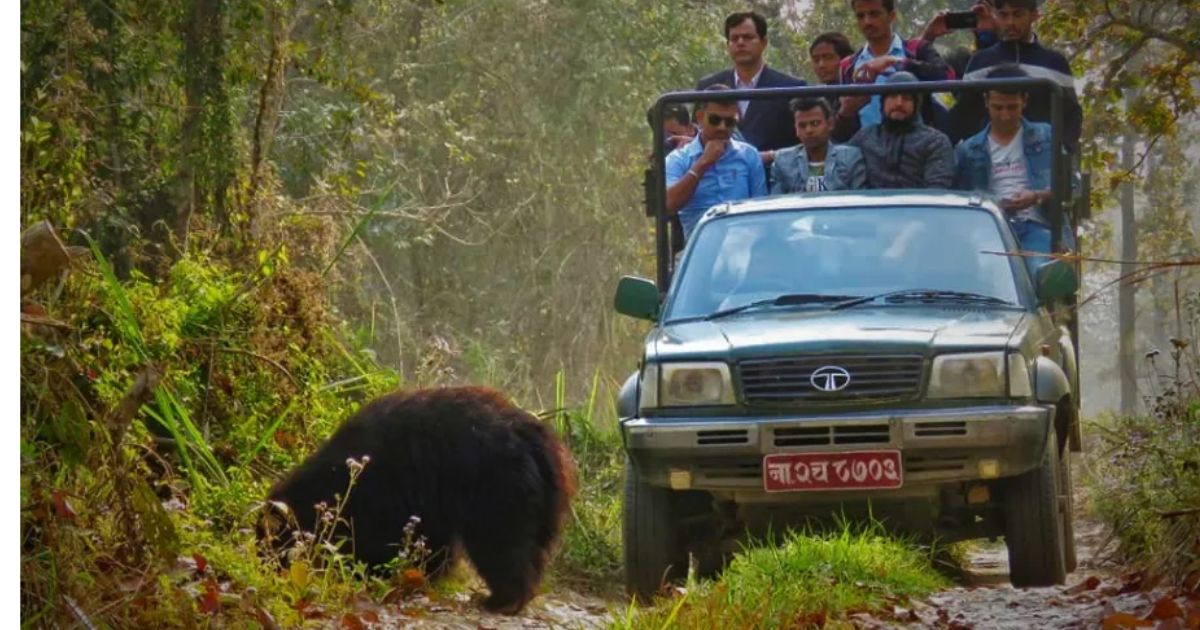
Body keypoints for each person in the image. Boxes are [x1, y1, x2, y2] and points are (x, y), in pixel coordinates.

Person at [953, 65, 1074, 275]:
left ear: (1024, 101)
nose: (1005, 115)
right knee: (988, 272)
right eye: (998, 108)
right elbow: (961, 198)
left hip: (1037, 225)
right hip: (990, 227)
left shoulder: (1046, 136)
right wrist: (993, 205)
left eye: (1012, 107)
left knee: (1038, 271)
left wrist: (1036, 196)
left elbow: (1070, 186)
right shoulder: (969, 149)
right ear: (986, 102)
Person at [947, 0, 1082, 150]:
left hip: (1040, 155)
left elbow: (1071, 114)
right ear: (995, 16)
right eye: (1003, 15)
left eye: (1018, 15)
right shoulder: (980, 61)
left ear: (1034, 15)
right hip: (991, 157)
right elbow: (964, 113)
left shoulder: (1054, 62)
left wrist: (1063, 149)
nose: (1010, 22)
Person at [834, 0, 954, 142]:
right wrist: (846, 112)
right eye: (861, 16)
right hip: (868, 149)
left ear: (892, 16)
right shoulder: (848, 65)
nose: (867, 22)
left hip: (916, 146)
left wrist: (896, 62)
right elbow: (842, 128)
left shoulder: (916, 49)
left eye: (874, 14)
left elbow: (948, 76)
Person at [697, 11, 807, 163]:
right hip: (718, 172)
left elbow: (805, 142)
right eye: (734, 38)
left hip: (773, 173)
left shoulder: (792, 87)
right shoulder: (707, 87)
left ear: (764, 42)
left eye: (748, 37)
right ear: (727, 45)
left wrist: (770, 156)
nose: (740, 43)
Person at [665, 85, 768, 239]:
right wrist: (703, 163)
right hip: (700, 242)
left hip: (743, 238)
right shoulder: (678, 159)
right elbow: (669, 204)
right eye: (715, 120)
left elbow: (760, 210)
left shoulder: (748, 155)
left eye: (729, 122)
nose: (722, 127)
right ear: (700, 117)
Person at [848, 71, 955, 189]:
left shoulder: (935, 142)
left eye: (906, 98)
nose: (899, 103)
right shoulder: (864, 138)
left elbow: (936, 190)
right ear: (883, 102)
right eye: (893, 96)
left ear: (916, 105)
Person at [771, 97, 866, 194]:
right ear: (796, 129)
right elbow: (777, 200)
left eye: (815, 123)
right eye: (802, 126)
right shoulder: (782, 161)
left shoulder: (850, 158)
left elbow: (859, 198)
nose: (809, 130)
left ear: (830, 124)